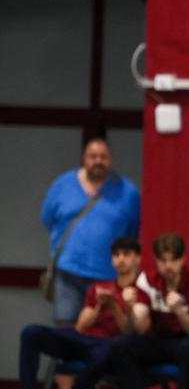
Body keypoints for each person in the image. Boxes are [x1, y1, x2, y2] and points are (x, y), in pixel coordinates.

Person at [0, 237, 149, 389]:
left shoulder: (140, 292)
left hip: (110, 346)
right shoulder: (100, 287)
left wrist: (115, 307)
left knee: (106, 352)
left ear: (137, 258)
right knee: (31, 333)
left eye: (126, 254)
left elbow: (129, 332)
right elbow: (80, 326)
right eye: (116, 255)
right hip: (83, 339)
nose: (120, 259)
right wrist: (99, 307)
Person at [111, 233, 189, 389]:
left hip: (188, 342)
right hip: (159, 341)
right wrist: (130, 308)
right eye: (163, 261)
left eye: (173, 260)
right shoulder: (147, 281)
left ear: (182, 259)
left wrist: (179, 311)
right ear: (156, 261)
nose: (168, 266)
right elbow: (139, 328)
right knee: (121, 345)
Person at [42, 137, 141, 325]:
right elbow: (48, 218)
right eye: (93, 156)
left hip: (108, 275)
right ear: (83, 158)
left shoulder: (127, 192)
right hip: (68, 271)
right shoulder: (62, 185)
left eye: (103, 157)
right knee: (64, 328)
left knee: (103, 330)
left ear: (111, 159)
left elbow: (133, 232)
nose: (98, 161)